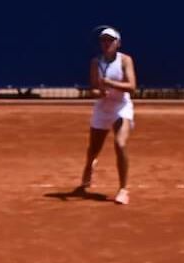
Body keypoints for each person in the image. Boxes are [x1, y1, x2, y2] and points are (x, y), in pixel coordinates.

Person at [77, 26, 136, 204]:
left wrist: (110, 82)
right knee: (93, 149)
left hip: (121, 107)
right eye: (103, 40)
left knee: (120, 143)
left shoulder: (126, 60)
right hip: (102, 108)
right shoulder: (96, 62)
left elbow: (132, 87)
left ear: (118, 43)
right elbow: (93, 88)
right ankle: (89, 166)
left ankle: (123, 189)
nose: (106, 43)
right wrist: (98, 93)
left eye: (110, 40)